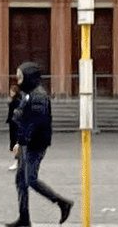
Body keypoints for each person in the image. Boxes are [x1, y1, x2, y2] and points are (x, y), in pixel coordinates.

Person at [8, 61, 73, 227]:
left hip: (35, 144)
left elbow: (34, 123)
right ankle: (24, 218)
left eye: (20, 77)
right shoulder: (30, 94)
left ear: (28, 77)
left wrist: (22, 140)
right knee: (20, 180)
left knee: (31, 179)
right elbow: (24, 119)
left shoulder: (38, 96)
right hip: (27, 143)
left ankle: (61, 202)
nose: (18, 80)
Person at [5, 81, 21, 170]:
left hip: (16, 125)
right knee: (15, 144)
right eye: (10, 91)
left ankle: (16, 162)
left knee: (16, 144)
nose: (11, 93)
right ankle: (19, 162)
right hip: (13, 124)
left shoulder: (17, 101)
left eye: (12, 91)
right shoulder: (13, 101)